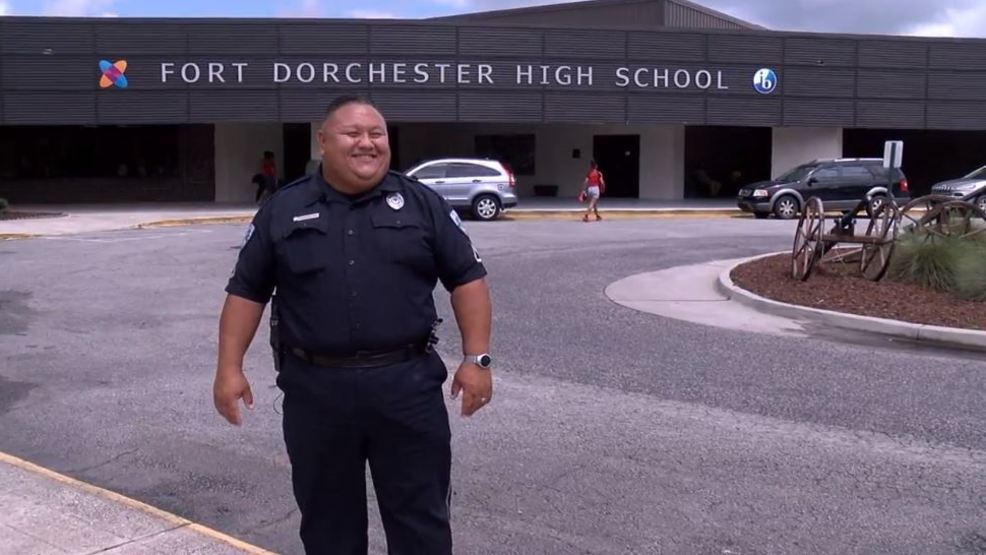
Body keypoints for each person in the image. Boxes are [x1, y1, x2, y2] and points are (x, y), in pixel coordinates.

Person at [213, 95, 494, 554]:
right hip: (316, 392)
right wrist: (229, 367)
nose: (368, 143)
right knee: (328, 527)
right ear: (323, 141)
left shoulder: (422, 204)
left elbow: (468, 280)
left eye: (377, 134)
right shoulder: (282, 210)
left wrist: (476, 359)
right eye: (353, 134)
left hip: (407, 388)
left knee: (421, 522)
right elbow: (247, 292)